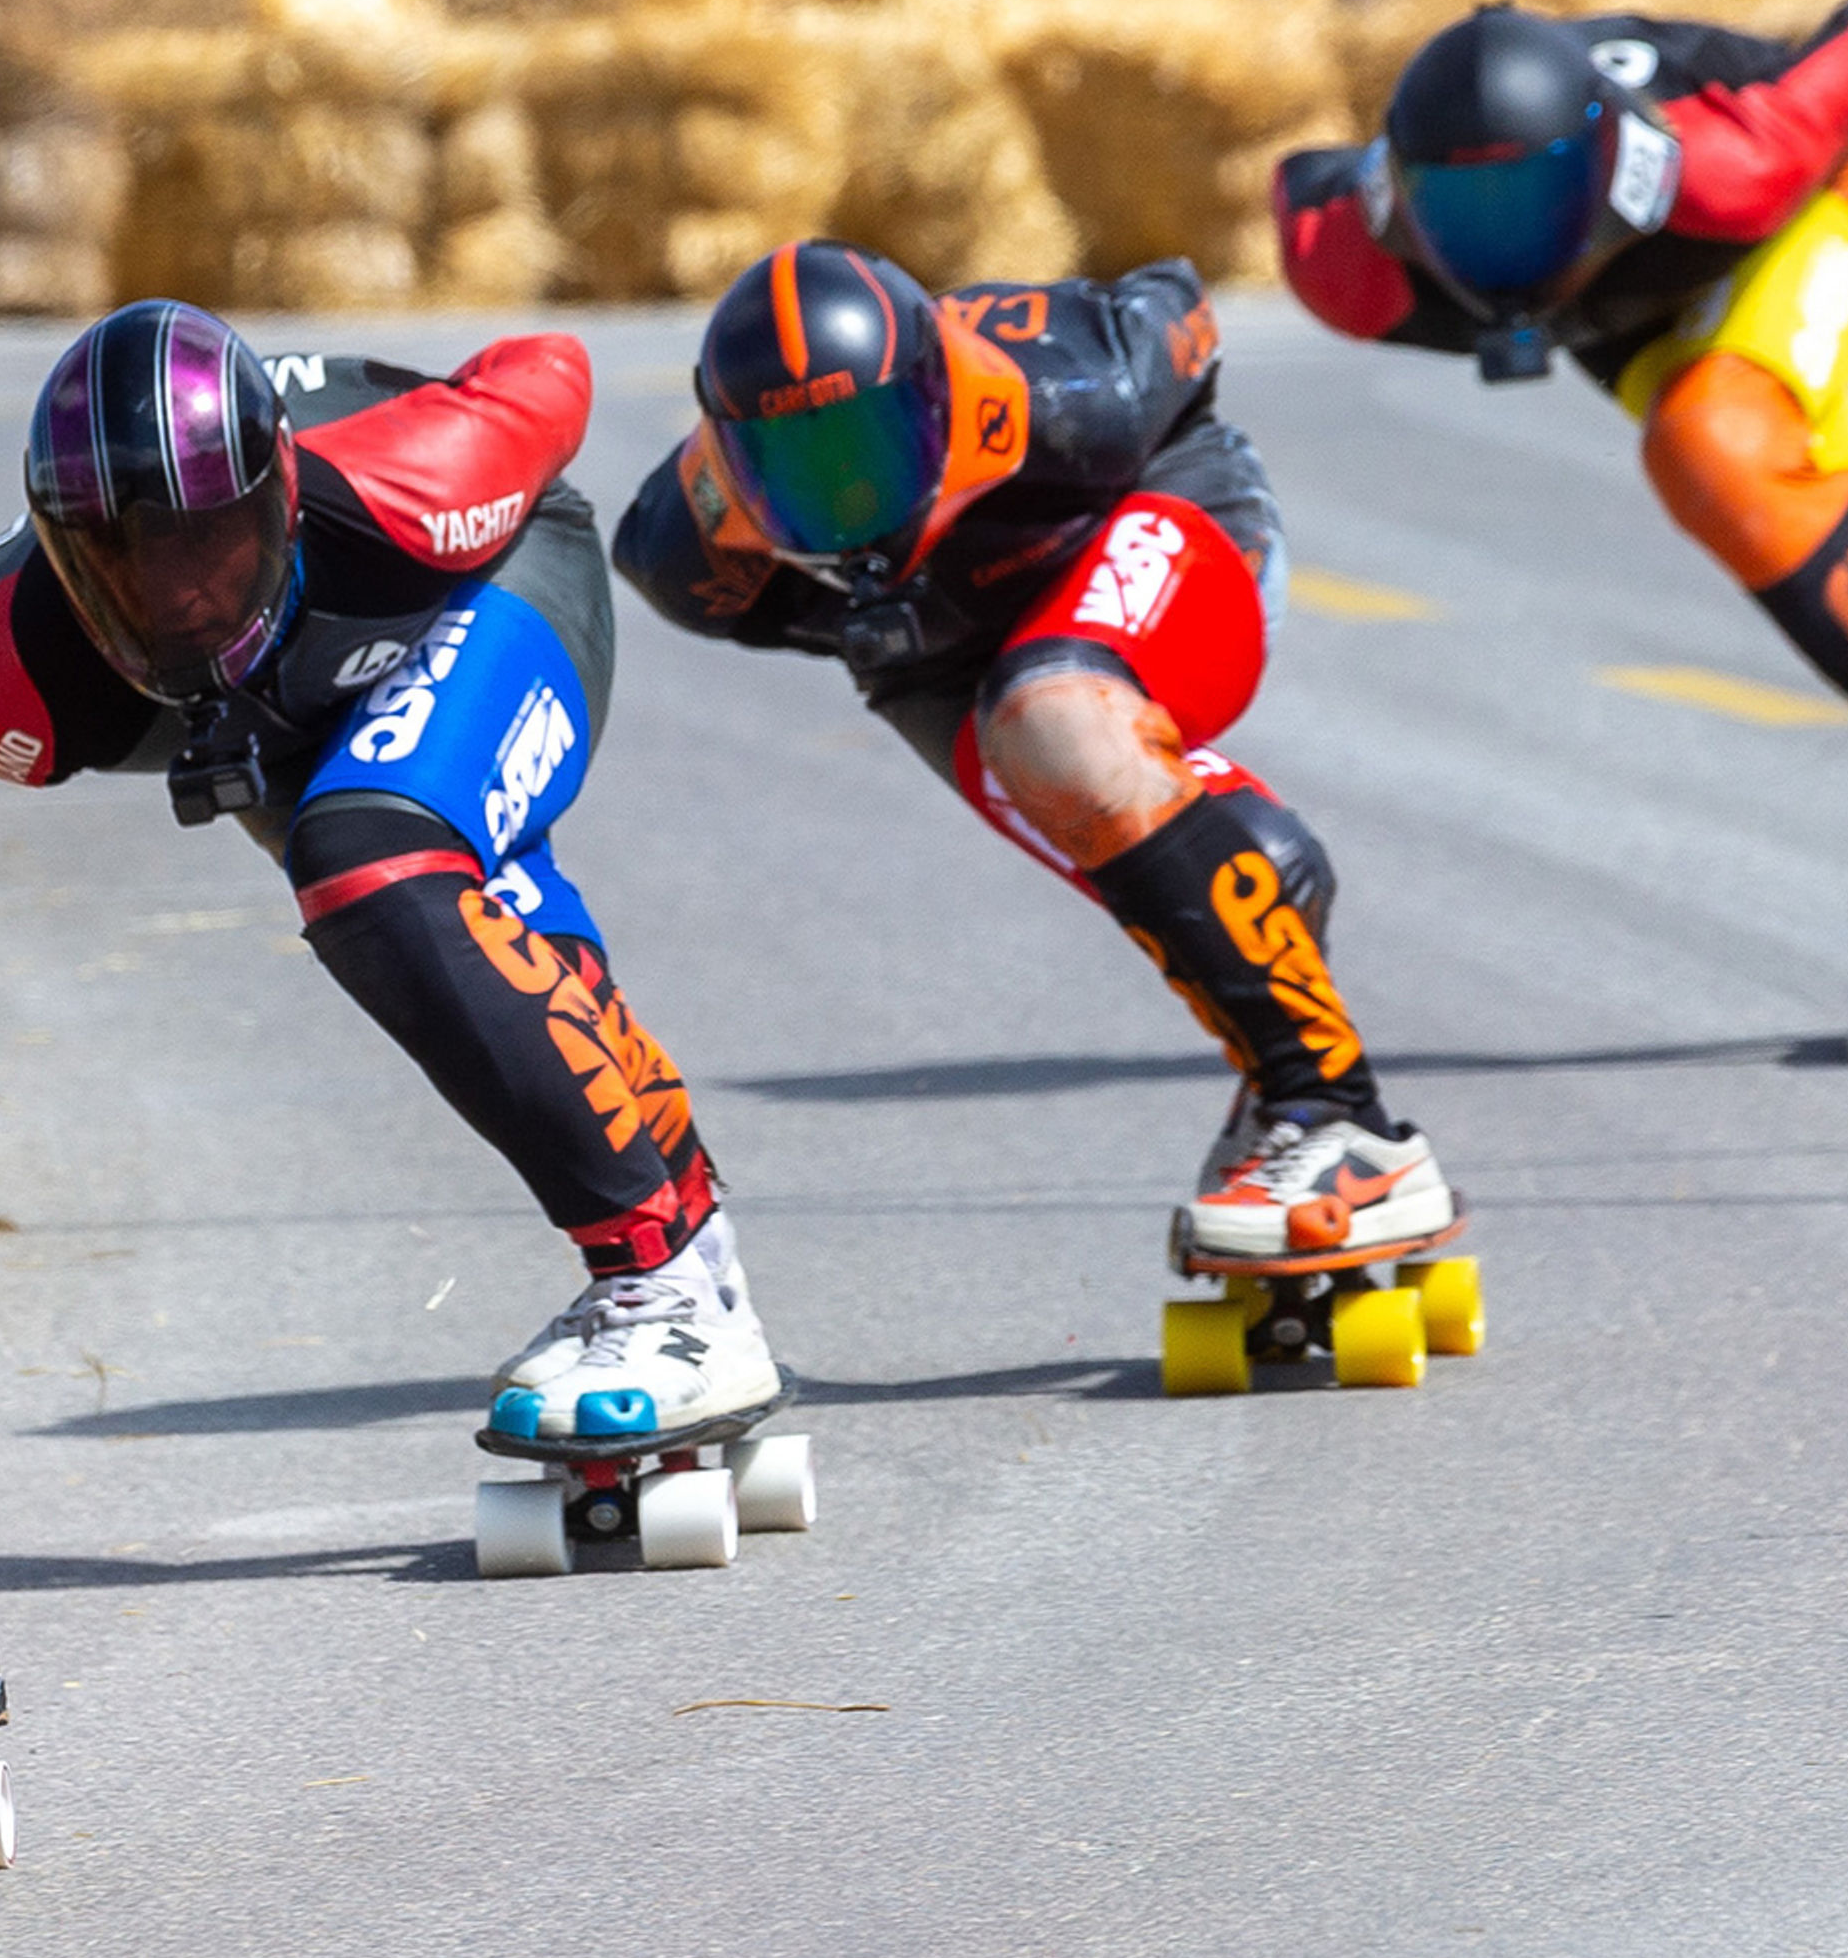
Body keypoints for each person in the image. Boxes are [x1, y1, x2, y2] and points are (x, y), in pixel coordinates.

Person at [0, 301, 777, 1445]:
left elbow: (548, 364)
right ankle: (699, 1272)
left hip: (484, 574)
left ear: (280, 496)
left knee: (372, 859)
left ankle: (650, 1286)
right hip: (278, 717)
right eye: (120, 564)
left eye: (205, 544)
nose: (178, 601)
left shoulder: (420, 479)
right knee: (489, 940)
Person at [611, 240, 1455, 1276]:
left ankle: (1343, 1121)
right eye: (794, 470)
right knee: (1248, 861)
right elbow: (785, 619)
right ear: (726, 460)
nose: (841, 493)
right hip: (937, 656)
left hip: (1158, 517)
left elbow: (1183, 305)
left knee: (1056, 717)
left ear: (941, 398)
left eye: (871, 447)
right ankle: (1279, 1119)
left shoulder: (1079, 389)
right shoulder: (687, 555)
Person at [1274, 0, 1848, 951]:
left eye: (1532, 206)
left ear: (1611, 172)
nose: (1505, 251)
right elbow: (1296, 181)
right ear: (1401, 207)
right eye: (1463, 217)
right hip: (1620, 307)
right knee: (1768, 483)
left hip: (1775, 223)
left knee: (1719, 444)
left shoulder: (1737, 162)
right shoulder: (1347, 261)